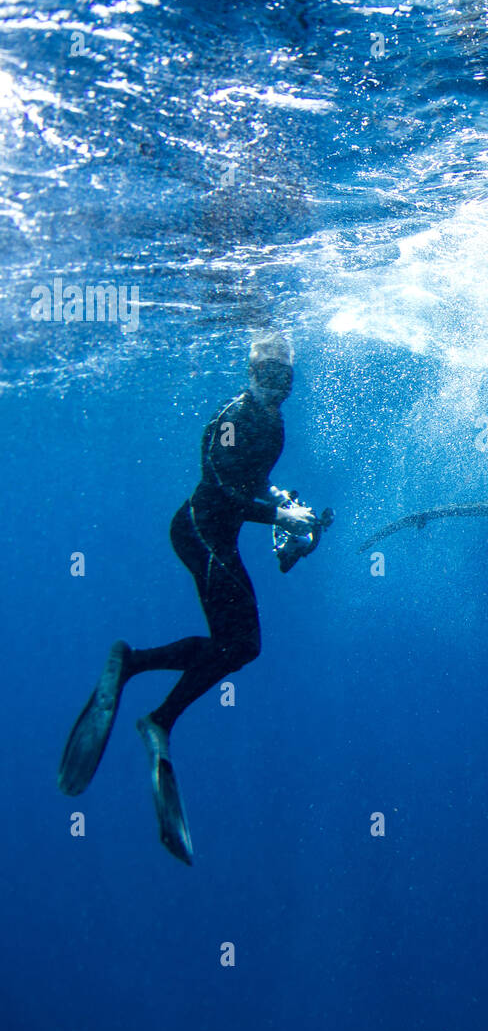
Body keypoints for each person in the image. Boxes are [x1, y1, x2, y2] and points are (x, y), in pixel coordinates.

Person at [58, 332, 317, 864]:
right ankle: (150, 702)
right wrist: (277, 516)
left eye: (286, 379)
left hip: (217, 538)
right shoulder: (231, 418)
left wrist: (286, 502)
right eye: (268, 376)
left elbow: (255, 483)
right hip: (198, 531)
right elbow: (220, 487)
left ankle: (140, 680)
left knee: (241, 645)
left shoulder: (274, 423)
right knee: (242, 642)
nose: (277, 387)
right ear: (250, 374)